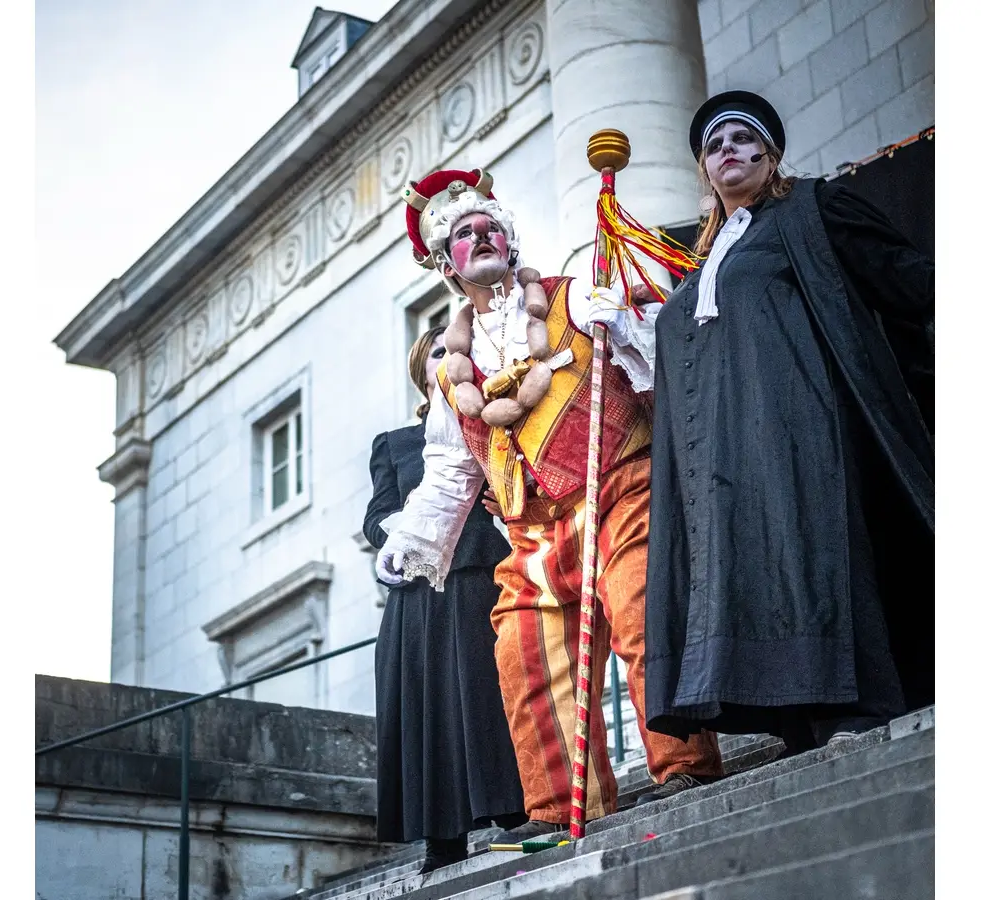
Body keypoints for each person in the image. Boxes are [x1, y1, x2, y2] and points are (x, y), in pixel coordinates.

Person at [374, 168, 724, 840]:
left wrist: (622, 325)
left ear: (509, 242)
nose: (481, 237)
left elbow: (662, 369)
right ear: (448, 265)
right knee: (521, 651)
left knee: (638, 613)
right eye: (465, 235)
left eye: (490, 228)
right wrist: (410, 540)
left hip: (616, 488)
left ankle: (683, 762)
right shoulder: (453, 373)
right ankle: (564, 808)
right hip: (529, 533)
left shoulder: (574, 299)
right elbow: (450, 473)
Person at [643, 90, 935, 754]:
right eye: (715, 147)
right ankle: (795, 713)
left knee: (816, 553)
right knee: (756, 567)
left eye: (744, 139)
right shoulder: (703, 266)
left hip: (807, 430)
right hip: (726, 458)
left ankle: (852, 700)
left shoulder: (809, 212)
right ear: (706, 173)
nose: (729, 152)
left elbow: (904, 278)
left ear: (770, 154)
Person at [364, 326, 526, 875]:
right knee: (432, 707)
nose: (451, 357)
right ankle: (443, 837)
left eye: (458, 350)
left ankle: (518, 812)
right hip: (422, 598)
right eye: (439, 353)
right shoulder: (395, 444)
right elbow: (374, 518)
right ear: (423, 371)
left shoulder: (501, 419)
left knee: (495, 695)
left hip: (489, 575)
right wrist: (412, 526)